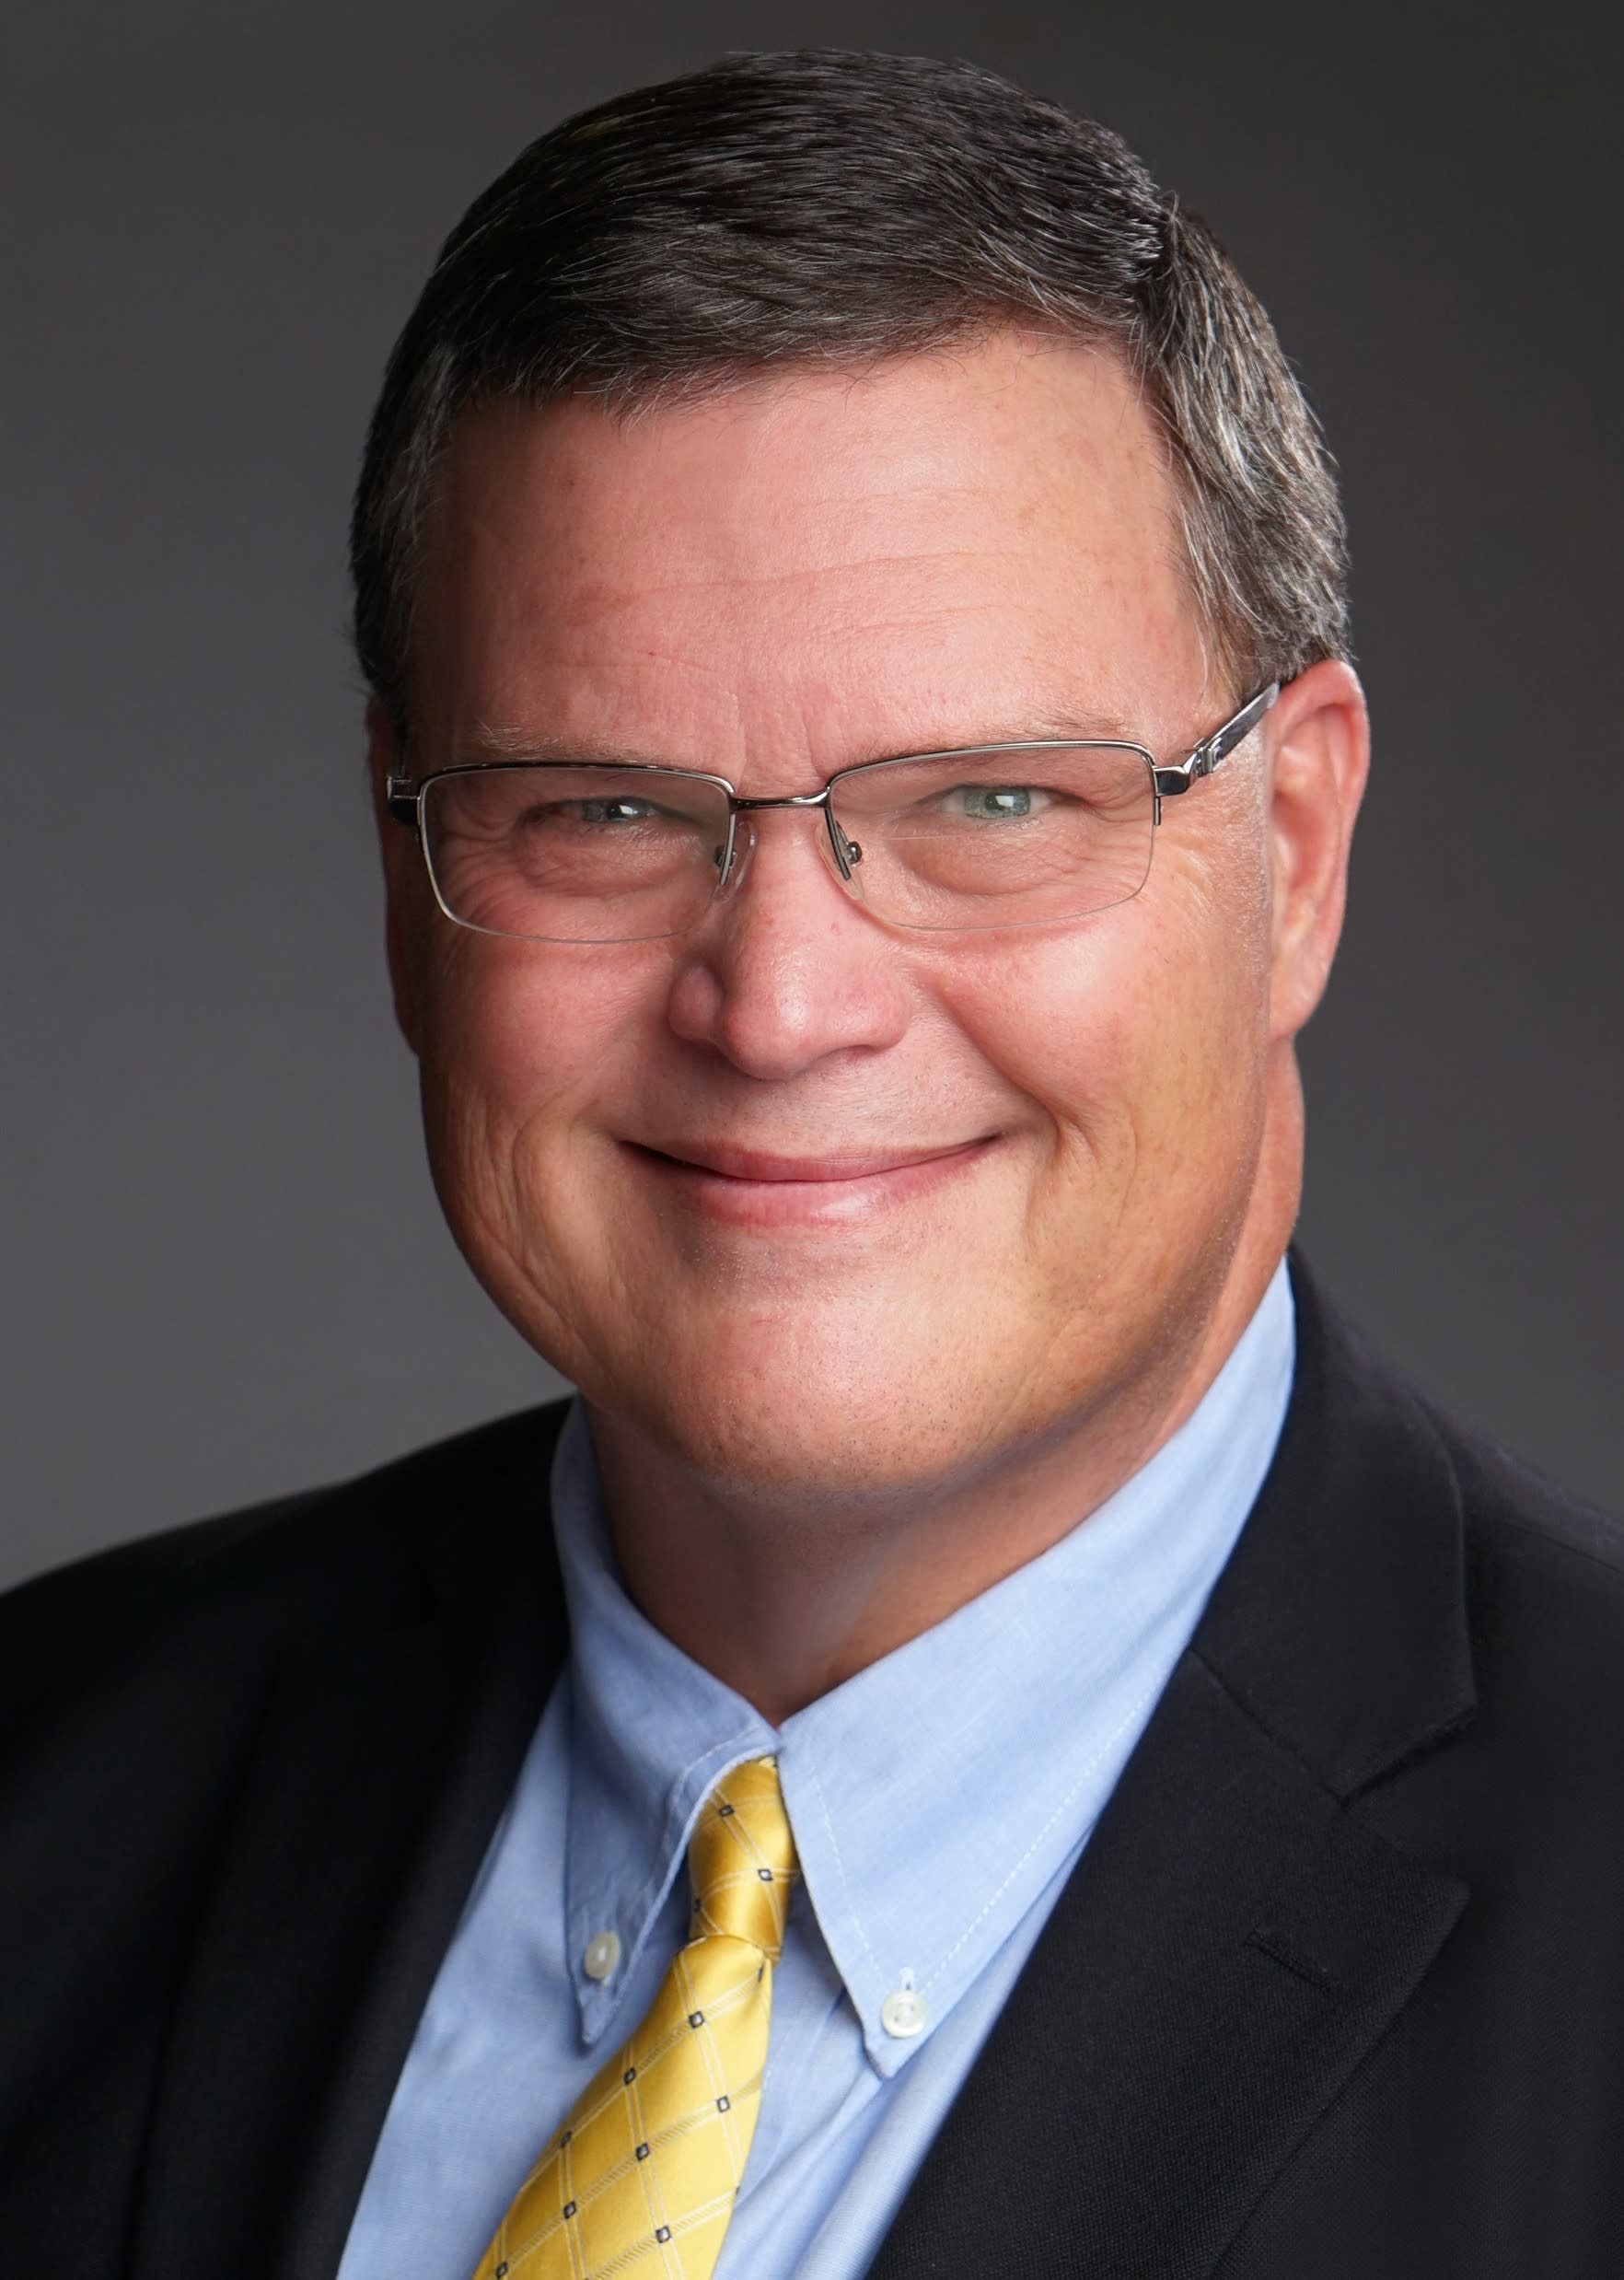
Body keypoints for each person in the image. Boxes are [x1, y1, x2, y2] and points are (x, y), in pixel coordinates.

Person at [3, 45, 1621, 2280]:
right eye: (601, 809)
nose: (778, 1007)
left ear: (1301, 850)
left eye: (991, 800)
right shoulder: (55, 1776)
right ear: (403, 879)